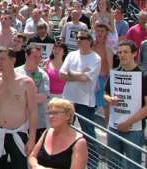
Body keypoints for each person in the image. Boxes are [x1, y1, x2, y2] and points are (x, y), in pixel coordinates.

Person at [0, 47, 38, 169]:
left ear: (13, 60)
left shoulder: (26, 82)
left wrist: (32, 139)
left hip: (18, 132)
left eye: (3, 59)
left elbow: (33, 111)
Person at [59, 30, 101, 168]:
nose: (78, 40)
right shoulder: (71, 55)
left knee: (88, 134)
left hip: (85, 102)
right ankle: (66, 161)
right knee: (65, 132)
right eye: (77, 37)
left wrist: (71, 74)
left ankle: (92, 164)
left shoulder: (96, 58)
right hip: (68, 99)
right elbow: (62, 75)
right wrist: (79, 75)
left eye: (81, 38)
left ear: (89, 40)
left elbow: (87, 78)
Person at [104, 40, 147, 169]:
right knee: (112, 163)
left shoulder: (144, 75)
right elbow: (105, 94)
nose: (122, 55)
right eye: (120, 52)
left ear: (134, 53)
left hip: (134, 129)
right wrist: (110, 99)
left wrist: (128, 123)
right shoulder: (115, 72)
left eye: (126, 52)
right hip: (114, 126)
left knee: (132, 165)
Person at [28, 98, 88, 169]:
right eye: (49, 113)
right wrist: (35, 166)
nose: (51, 116)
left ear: (68, 116)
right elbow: (32, 156)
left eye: (55, 113)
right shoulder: (47, 132)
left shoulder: (79, 143)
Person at [15, 45, 50, 140]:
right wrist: (32, 94)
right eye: (35, 56)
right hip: (17, 123)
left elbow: (42, 97)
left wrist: (20, 96)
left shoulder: (43, 75)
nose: (38, 60)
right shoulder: (15, 73)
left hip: (38, 123)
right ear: (26, 55)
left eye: (40, 57)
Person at [92, 22, 113, 123]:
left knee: (106, 107)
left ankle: (108, 128)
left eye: (102, 31)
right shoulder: (91, 46)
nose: (99, 33)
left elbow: (111, 68)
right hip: (90, 79)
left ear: (106, 33)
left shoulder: (107, 49)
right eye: (98, 31)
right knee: (89, 106)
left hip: (103, 80)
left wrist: (108, 85)